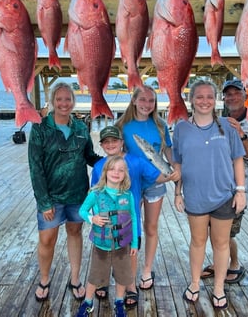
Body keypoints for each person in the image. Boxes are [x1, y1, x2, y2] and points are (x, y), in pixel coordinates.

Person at [172, 79, 246, 309]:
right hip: (195, 196)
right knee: (197, 242)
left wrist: (240, 191)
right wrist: (177, 192)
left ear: (216, 100)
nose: (205, 101)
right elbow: (178, 164)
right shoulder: (181, 128)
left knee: (221, 243)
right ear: (191, 100)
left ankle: (218, 287)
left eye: (209, 97)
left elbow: (238, 159)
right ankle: (194, 283)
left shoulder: (228, 125)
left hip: (224, 195)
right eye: (200, 96)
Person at [91, 125, 180, 307]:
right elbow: (94, 192)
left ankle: (130, 286)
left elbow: (157, 176)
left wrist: (171, 176)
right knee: (104, 253)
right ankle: (103, 281)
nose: (110, 145)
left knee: (129, 254)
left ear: (122, 143)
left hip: (129, 222)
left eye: (114, 141)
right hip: (105, 221)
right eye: (106, 142)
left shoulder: (136, 162)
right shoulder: (99, 166)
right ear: (101, 145)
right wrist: (94, 217)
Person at [28, 82, 102, 302]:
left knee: (75, 233)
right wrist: (44, 201)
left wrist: (110, 162)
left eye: (67, 99)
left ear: (73, 102)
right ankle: (44, 279)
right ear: (52, 101)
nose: (63, 103)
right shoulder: (40, 127)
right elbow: (35, 166)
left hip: (78, 194)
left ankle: (76, 279)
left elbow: (89, 156)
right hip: (51, 197)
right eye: (59, 99)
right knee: (47, 239)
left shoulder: (80, 128)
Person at [200, 79, 248, 284]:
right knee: (213, 230)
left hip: (236, 189)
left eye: (236, 93)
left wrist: (240, 134)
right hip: (215, 185)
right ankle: (221, 263)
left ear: (245, 95)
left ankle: (234, 265)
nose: (232, 97)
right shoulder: (219, 121)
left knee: (226, 233)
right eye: (228, 94)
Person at [115, 85, 175, 291]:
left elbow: (167, 150)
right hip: (130, 184)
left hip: (156, 183)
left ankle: (147, 269)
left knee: (151, 227)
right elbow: (115, 153)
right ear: (133, 101)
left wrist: (175, 172)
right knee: (129, 229)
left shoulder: (160, 124)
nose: (146, 104)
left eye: (151, 101)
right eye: (142, 100)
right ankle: (127, 270)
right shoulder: (122, 125)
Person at [76, 156, 138, 317]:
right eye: (112, 169)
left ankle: (119, 302)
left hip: (122, 246)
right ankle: (88, 303)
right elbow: (82, 211)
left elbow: (134, 217)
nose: (116, 173)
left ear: (125, 174)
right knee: (95, 277)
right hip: (101, 246)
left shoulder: (128, 195)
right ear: (105, 172)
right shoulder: (95, 194)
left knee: (122, 276)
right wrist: (92, 218)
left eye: (120, 170)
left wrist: (134, 243)